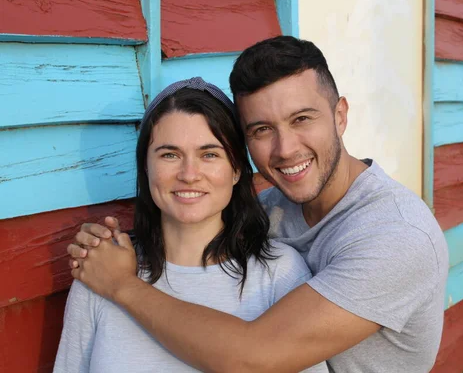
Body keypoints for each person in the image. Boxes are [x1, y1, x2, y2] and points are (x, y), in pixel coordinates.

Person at [68, 36, 449, 372]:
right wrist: (106, 248)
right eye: (262, 130)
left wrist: (120, 285)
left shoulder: (397, 235)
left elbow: (252, 358)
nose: (285, 149)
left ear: (340, 115)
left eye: (302, 119)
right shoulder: (269, 210)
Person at [54, 77, 327, 372]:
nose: (189, 174)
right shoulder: (101, 272)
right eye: (170, 155)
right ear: (145, 166)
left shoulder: (279, 274)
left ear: (236, 170)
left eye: (209, 154)